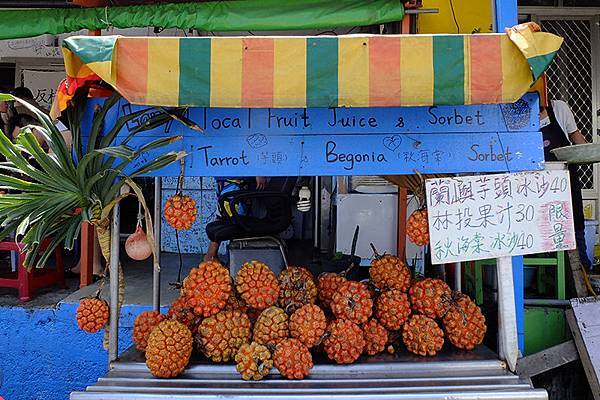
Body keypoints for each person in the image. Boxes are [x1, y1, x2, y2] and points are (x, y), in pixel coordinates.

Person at [540, 98, 591, 268]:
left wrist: (588, 151)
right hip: (535, 186)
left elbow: (575, 137)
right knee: (542, 229)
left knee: (573, 223)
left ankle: (581, 267)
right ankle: (543, 271)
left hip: (564, 182)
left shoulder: (559, 108)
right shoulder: (516, 112)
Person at [204, 176, 267, 262]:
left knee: (226, 216)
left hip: (229, 176)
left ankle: (211, 255)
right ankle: (211, 256)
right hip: (235, 179)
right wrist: (259, 173)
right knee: (233, 218)